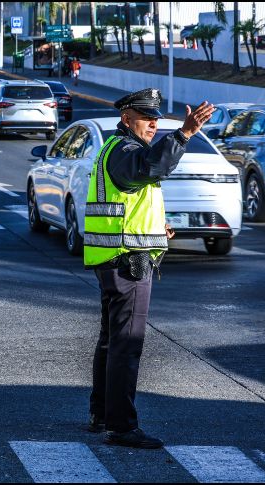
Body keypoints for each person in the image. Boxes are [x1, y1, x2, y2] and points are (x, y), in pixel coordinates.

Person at [83, 88, 215, 449]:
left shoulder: (117, 149)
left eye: (157, 118)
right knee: (127, 344)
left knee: (112, 342)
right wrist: (184, 134)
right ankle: (122, 427)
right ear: (127, 119)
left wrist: (160, 230)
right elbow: (150, 168)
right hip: (128, 262)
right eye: (146, 117)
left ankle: (101, 415)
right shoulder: (126, 151)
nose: (154, 123)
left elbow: (131, 202)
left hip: (115, 257)